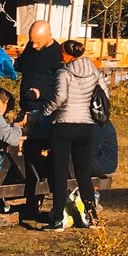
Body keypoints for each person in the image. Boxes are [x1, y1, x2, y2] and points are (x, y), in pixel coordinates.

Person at [39, 39, 102, 231]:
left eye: (61, 52)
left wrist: (45, 111)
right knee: (84, 174)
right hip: (87, 125)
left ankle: (58, 218)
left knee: (59, 173)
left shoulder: (63, 73)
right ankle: (92, 217)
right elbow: (104, 95)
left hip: (64, 124)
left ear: (66, 54)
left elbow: (60, 97)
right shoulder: (95, 72)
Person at [15, 21, 65, 221]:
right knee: (23, 152)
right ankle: (29, 197)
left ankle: (40, 196)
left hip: (44, 109)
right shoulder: (31, 47)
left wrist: (41, 92)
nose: (33, 45)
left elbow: (61, 88)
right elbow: (23, 65)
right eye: (31, 41)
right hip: (26, 107)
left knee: (37, 149)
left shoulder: (57, 54)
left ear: (48, 36)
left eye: (37, 42)